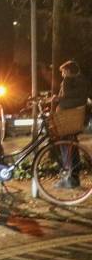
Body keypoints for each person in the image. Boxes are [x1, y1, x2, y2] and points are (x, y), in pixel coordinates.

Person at [53, 60, 90, 189]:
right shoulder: (78, 81)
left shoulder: (73, 81)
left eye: (63, 72)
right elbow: (68, 96)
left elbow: (67, 95)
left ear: (68, 71)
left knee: (67, 146)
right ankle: (71, 177)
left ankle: (71, 178)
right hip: (70, 117)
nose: (62, 75)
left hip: (70, 118)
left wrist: (66, 81)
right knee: (69, 145)